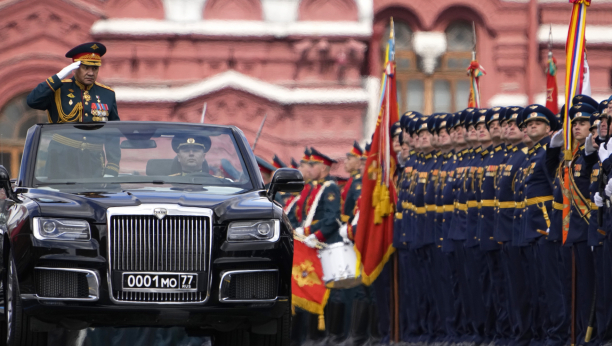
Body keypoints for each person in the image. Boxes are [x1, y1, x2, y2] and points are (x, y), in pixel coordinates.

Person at [27, 42, 121, 178]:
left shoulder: (107, 94)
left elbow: (113, 133)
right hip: (61, 160)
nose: (91, 73)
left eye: (95, 68)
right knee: (60, 199)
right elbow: (32, 101)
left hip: (93, 162)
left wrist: (112, 167)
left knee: (93, 197)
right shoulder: (59, 89)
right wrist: (58, 77)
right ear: (75, 68)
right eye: (86, 67)